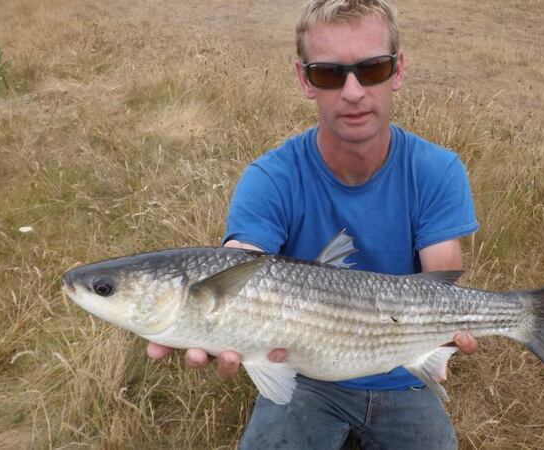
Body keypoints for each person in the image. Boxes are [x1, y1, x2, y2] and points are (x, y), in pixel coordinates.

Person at [148, 0, 479, 448]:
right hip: (304, 375)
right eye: (329, 73)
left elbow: (441, 284)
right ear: (305, 80)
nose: (353, 91)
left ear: (398, 71)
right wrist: (214, 316)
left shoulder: (438, 170)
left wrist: (444, 338)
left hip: (403, 372)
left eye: (373, 68)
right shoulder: (270, 178)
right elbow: (243, 259)